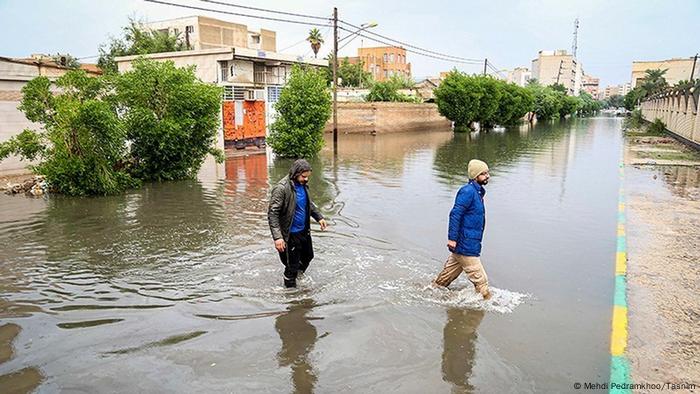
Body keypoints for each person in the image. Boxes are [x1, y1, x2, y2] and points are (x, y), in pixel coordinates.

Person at [433, 159, 491, 299]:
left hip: (467, 242)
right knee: (481, 282)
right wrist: (452, 239)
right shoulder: (468, 192)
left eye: (487, 173)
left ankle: (427, 292)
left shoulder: (478, 192)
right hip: (466, 244)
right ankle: (488, 306)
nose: (487, 176)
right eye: (483, 174)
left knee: (443, 280)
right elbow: (455, 214)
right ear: (475, 176)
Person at [268, 159, 327, 288]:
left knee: (308, 256)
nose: (306, 179)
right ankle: (291, 297)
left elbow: (308, 204)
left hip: (304, 231)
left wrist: (319, 217)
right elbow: (273, 214)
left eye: (307, 177)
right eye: (303, 176)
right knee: (291, 266)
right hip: (290, 235)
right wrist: (278, 237)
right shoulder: (281, 188)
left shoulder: (303, 185)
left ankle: (297, 275)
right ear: (295, 173)